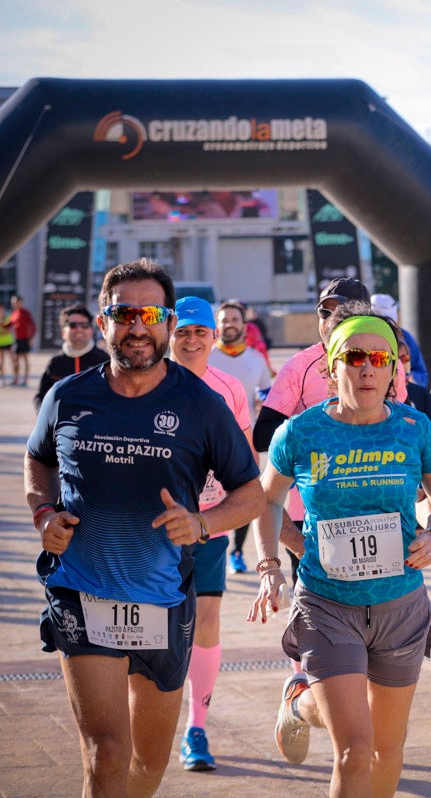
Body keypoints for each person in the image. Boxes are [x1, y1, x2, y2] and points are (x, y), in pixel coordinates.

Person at [25, 258, 263, 796]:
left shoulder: (201, 405)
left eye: (151, 313)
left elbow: (251, 493)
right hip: (82, 591)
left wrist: (202, 523)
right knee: (106, 753)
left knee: (147, 764)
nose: (138, 327)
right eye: (124, 313)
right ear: (104, 322)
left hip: (163, 598)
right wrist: (44, 513)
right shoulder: (69, 396)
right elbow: (36, 459)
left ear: (170, 322)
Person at [248, 305, 431, 796]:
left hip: (400, 606)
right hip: (328, 605)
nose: (367, 367)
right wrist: (272, 565)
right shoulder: (300, 432)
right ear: (332, 365)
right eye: (354, 356)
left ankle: (300, 702)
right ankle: (303, 702)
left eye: (380, 358)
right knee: (354, 748)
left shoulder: (414, 428)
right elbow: (266, 501)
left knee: (388, 748)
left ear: (393, 368)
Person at [253, 277, 377, 668]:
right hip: (310, 511)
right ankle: (303, 682)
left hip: (372, 503)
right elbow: (262, 436)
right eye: (324, 311)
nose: (330, 319)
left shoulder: (384, 362)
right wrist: (316, 435)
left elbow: (402, 426)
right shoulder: (299, 366)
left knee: (370, 603)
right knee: (313, 605)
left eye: (341, 312)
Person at [167, 295, 256, 772]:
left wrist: (225, 514)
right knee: (154, 628)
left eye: (201, 332)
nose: (192, 339)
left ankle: (196, 727)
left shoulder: (229, 388)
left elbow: (244, 460)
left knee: (207, 621)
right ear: (170, 334)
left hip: (207, 526)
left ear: (214, 337)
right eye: (183, 331)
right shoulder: (149, 383)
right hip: (152, 529)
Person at [210, 300, 274, 576]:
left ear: (243, 325)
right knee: (211, 498)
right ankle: (213, 548)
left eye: (234, 319)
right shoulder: (206, 356)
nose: (229, 324)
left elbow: (267, 393)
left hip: (244, 440)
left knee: (245, 497)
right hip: (208, 442)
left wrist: (263, 402)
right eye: (224, 320)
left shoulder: (255, 359)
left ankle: (237, 551)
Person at [34, 303, 108, 408]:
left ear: (91, 330)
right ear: (63, 332)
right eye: (73, 325)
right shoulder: (55, 363)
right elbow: (41, 398)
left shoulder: (104, 361)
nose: (79, 329)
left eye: (84, 325)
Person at [371, 292, 429, 387]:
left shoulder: (405, 337)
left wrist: (407, 377)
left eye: (404, 359)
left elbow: (422, 376)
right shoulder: (362, 339)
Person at [4, 294, 36, 386]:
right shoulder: (13, 313)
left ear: (21, 302)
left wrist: (31, 338)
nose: (14, 304)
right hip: (17, 339)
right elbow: (8, 325)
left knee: (25, 359)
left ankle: (25, 379)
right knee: (16, 360)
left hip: (25, 339)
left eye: (16, 302)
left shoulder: (26, 313)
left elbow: (33, 326)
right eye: (13, 303)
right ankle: (16, 379)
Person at [0, 301, 13, 385]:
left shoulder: (8, 317)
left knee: (13, 360)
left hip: (8, 342)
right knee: (1, 362)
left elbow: (9, 330)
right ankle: (3, 378)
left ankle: (15, 377)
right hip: (0, 342)